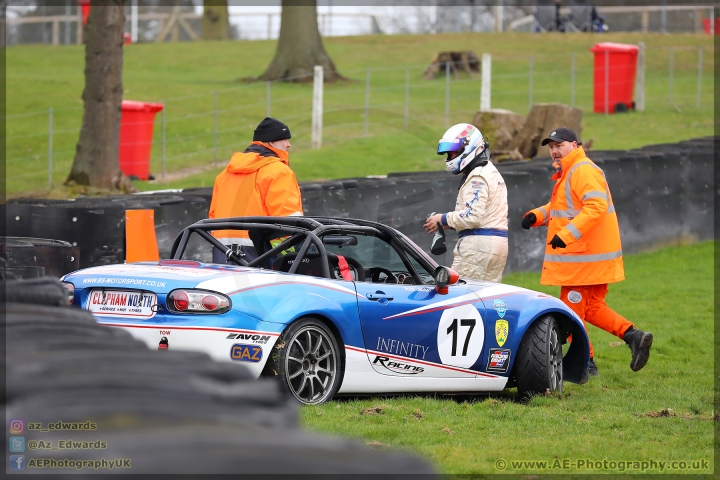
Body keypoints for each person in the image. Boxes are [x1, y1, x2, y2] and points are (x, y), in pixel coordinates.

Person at [520, 127, 653, 375]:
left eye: (558, 146)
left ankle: (586, 363)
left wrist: (567, 235)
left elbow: (595, 206)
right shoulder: (573, 170)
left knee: (570, 312)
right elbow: (564, 207)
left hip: (581, 258)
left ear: (573, 145)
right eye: (550, 147)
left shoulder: (581, 169)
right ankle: (633, 336)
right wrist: (537, 215)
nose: (554, 151)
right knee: (591, 308)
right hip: (589, 257)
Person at [209, 117, 303, 264]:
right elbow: (289, 222)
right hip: (262, 253)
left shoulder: (223, 175)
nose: (288, 145)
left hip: (222, 252)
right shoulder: (278, 172)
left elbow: (212, 218)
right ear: (272, 142)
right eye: (285, 139)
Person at [424, 123, 508, 283]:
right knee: (486, 301)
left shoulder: (477, 176)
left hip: (478, 248)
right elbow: (483, 215)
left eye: (454, 152)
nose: (450, 157)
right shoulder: (490, 170)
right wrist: (450, 224)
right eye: (449, 153)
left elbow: (472, 217)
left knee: (461, 299)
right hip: (496, 244)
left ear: (470, 147)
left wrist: (442, 219)